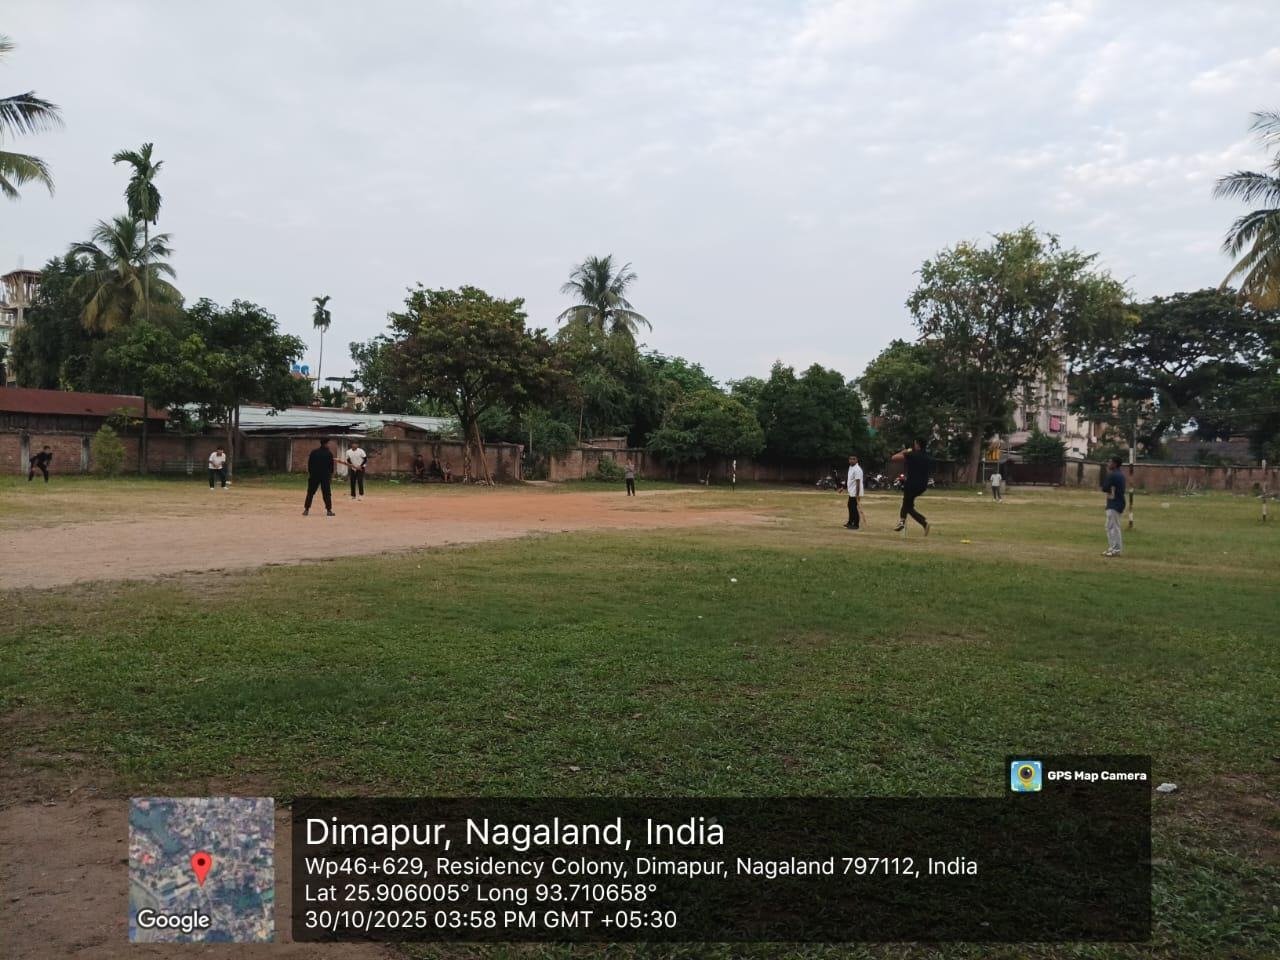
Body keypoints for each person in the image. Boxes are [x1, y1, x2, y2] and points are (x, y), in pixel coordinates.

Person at [891, 438, 931, 535]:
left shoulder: (912, 454)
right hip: (922, 485)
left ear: (917, 444)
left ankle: (920, 522)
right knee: (907, 504)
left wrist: (904, 451)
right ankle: (904, 521)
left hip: (912, 484)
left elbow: (894, 458)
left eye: (915, 444)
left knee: (907, 505)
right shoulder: (927, 456)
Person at [303, 438, 336, 517]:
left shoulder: (314, 452)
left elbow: (310, 464)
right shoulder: (329, 454)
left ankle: (306, 510)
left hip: (314, 475)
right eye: (328, 443)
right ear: (325, 444)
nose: (329, 445)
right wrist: (330, 475)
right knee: (327, 493)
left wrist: (311, 473)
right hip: (325, 476)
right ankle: (329, 510)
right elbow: (331, 467)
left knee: (310, 492)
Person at [1101, 456, 1126, 557]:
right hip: (1116, 502)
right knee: (1108, 526)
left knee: (1114, 527)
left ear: (1115, 464)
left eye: (1110, 462)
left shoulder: (1113, 475)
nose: (1108, 463)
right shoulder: (1120, 474)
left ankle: (1116, 549)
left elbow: (1104, 488)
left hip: (1114, 503)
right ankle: (1112, 547)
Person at [844, 454, 864, 529]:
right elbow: (849, 480)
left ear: (856, 460)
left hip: (855, 492)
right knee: (850, 506)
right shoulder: (851, 467)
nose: (851, 460)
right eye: (850, 459)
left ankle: (856, 524)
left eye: (853, 459)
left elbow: (858, 482)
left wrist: (857, 494)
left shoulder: (857, 469)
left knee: (853, 508)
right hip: (851, 491)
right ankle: (850, 522)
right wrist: (843, 488)